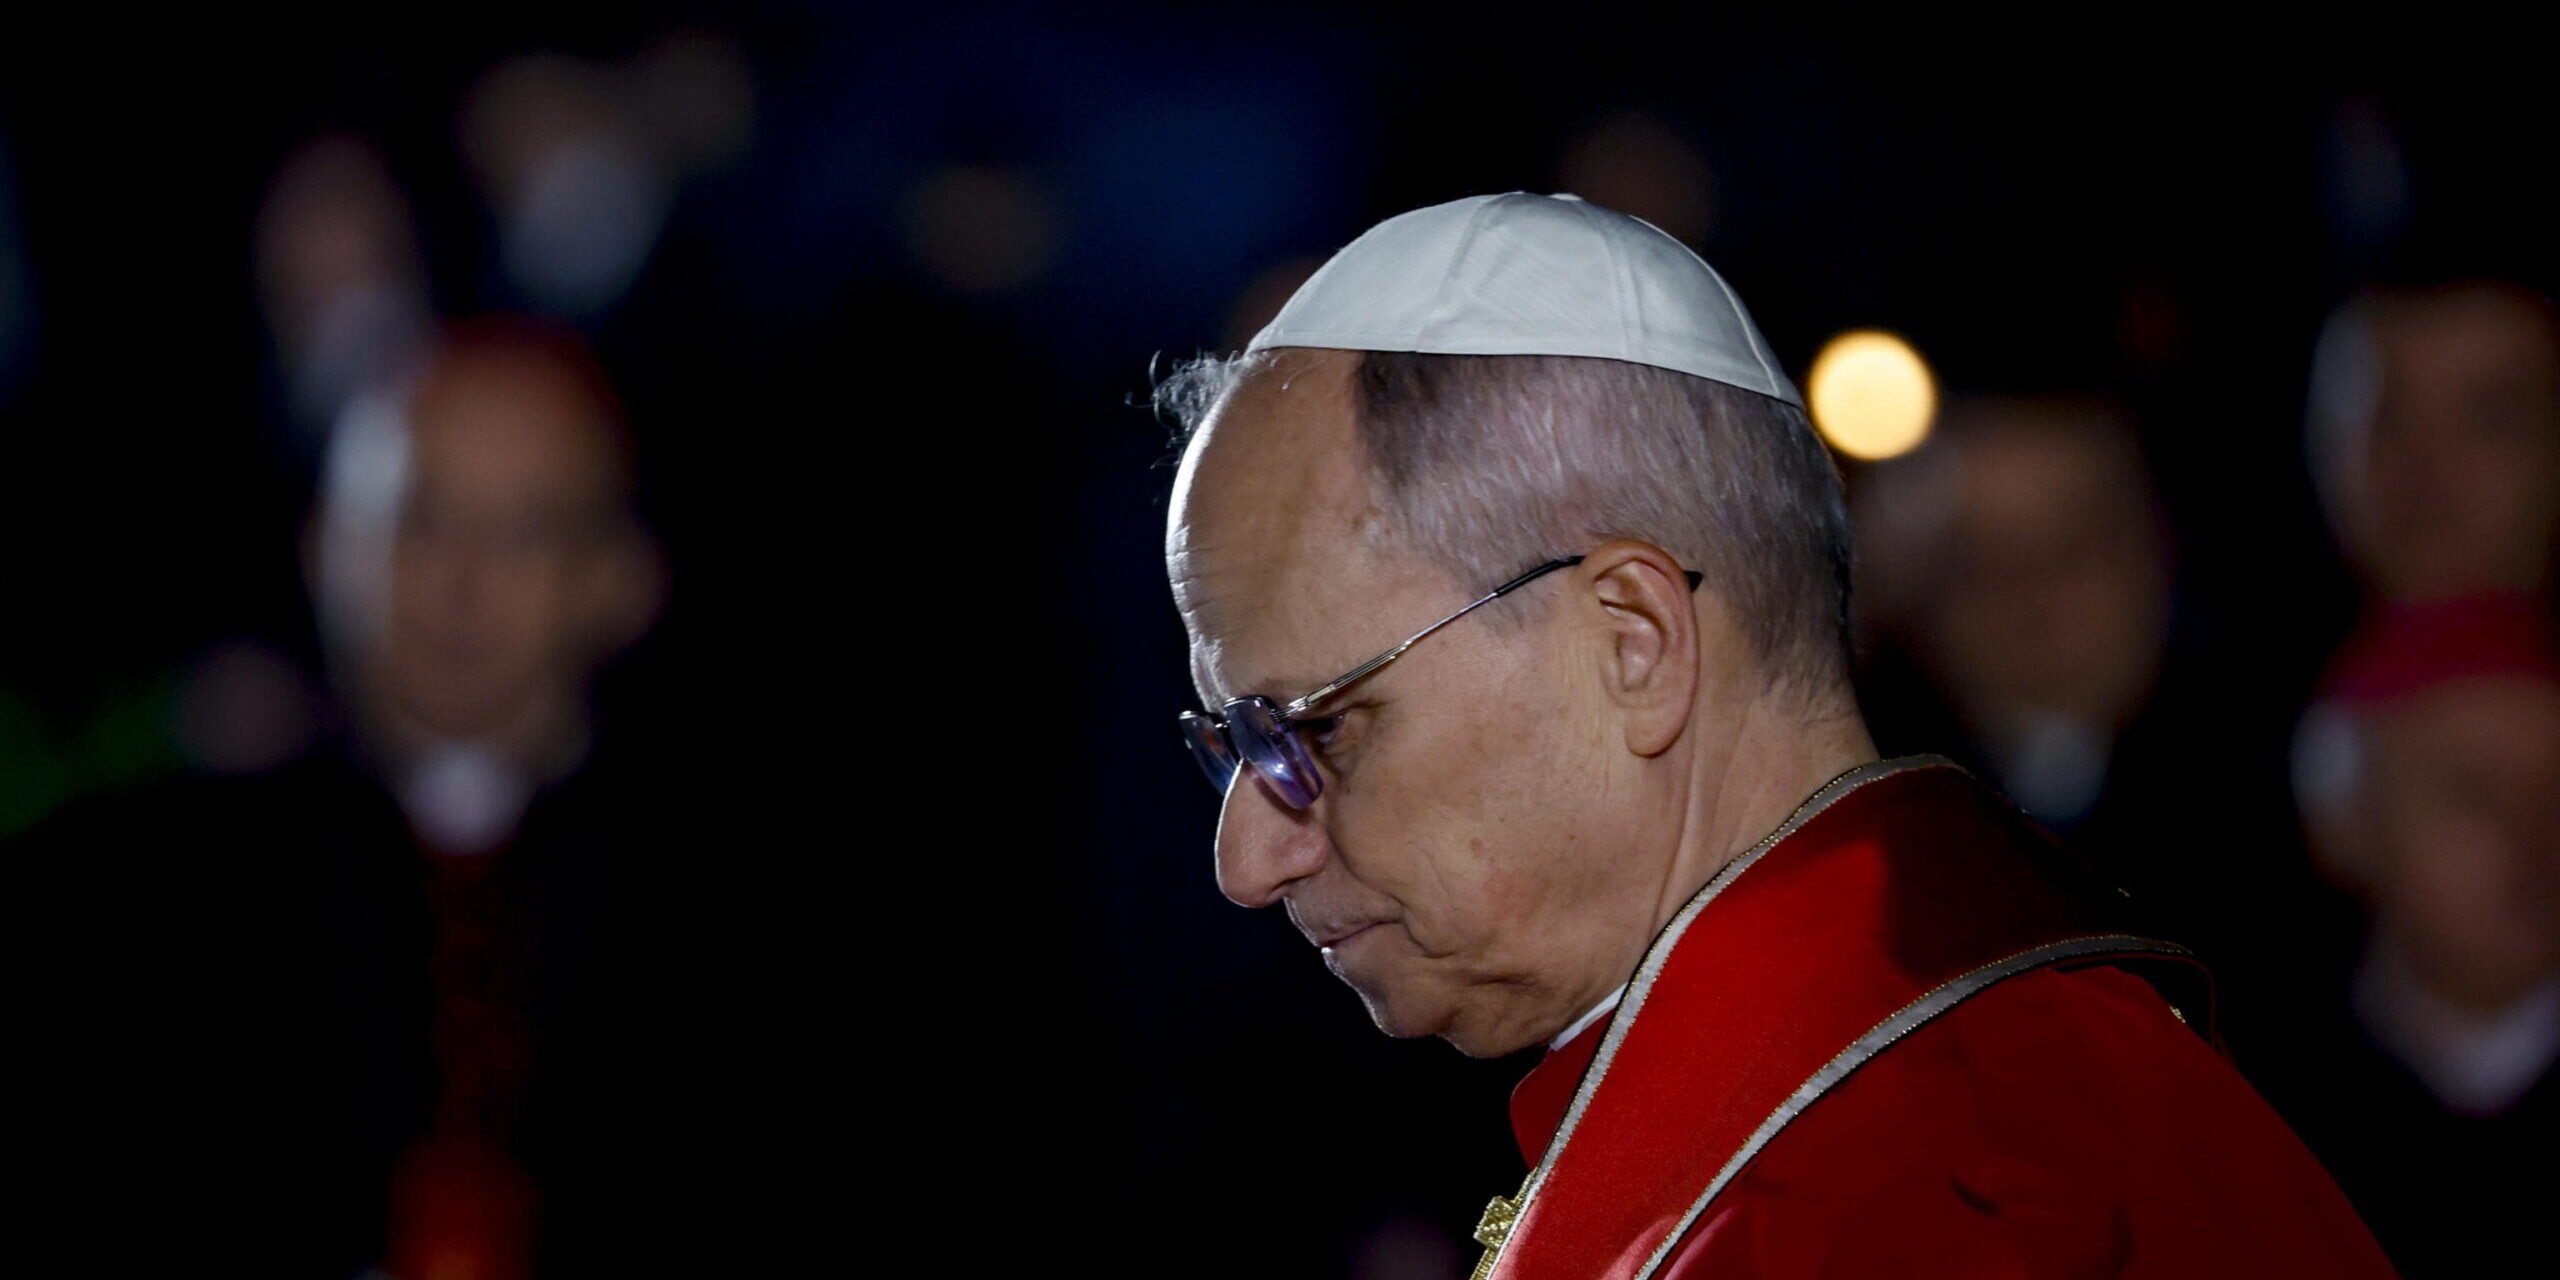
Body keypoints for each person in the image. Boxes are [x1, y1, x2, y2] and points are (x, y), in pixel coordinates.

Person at [1156, 193, 2396, 1279]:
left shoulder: (1959, 1185)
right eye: (1235, 743)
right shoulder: (1867, 1114)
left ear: (1632, 643)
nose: (1245, 860)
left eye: (1314, 725)